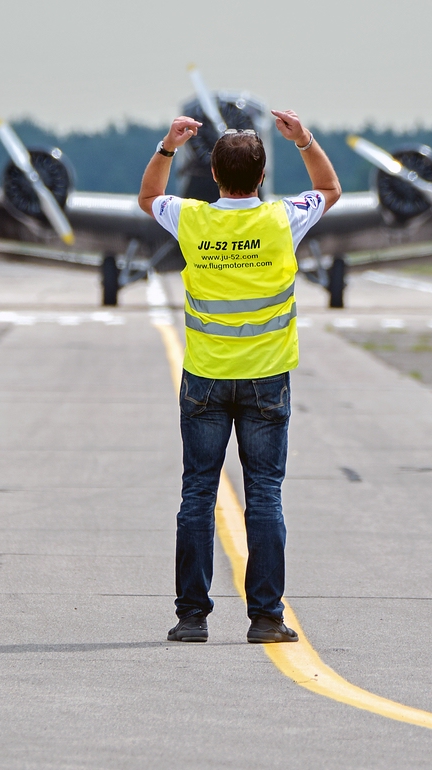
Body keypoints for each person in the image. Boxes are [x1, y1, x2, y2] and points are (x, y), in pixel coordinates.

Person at [138, 110, 342, 644]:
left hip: (205, 377)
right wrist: (305, 139)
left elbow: (146, 199)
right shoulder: (284, 218)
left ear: (212, 174)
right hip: (267, 380)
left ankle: (190, 618)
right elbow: (329, 187)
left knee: (197, 495)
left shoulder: (191, 219)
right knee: (266, 496)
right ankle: (267, 619)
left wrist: (166, 147)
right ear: (261, 174)